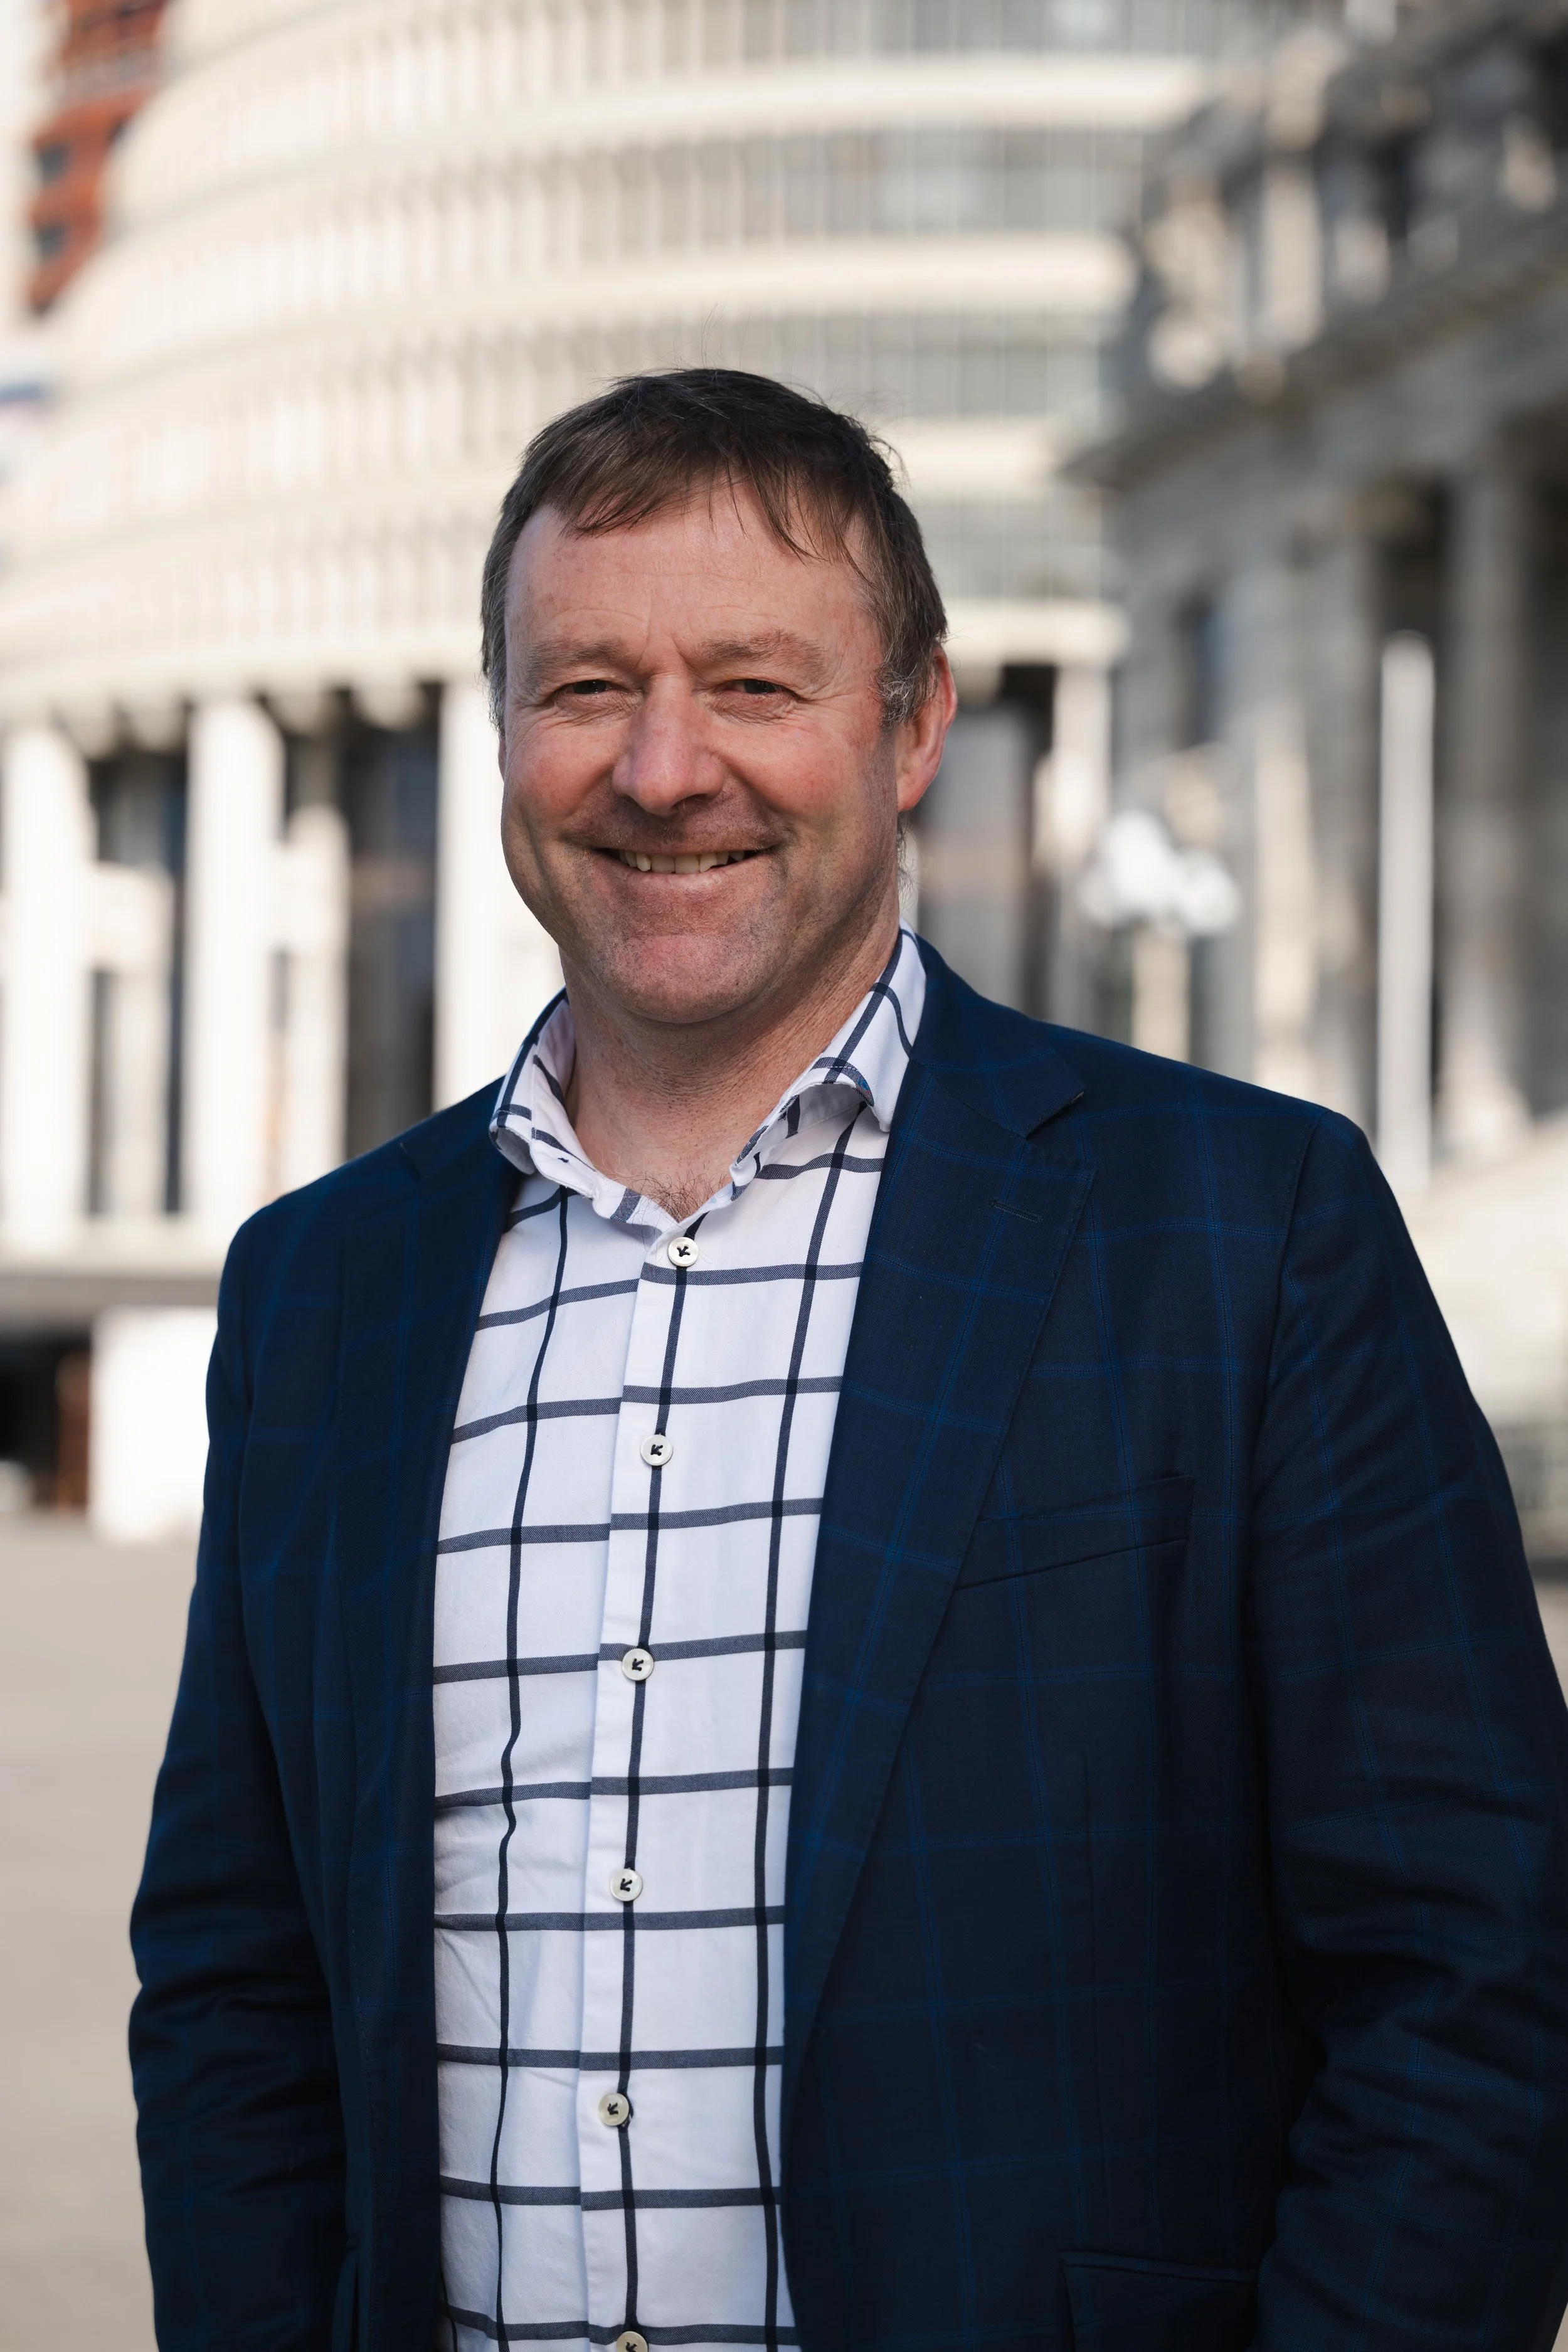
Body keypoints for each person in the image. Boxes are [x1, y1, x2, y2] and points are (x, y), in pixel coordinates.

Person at [131, 368, 1568, 2352]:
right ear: (503, 735)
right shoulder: (321, 1289)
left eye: (753, 685)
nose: (663, 769)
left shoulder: (1236, 1232)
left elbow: (1474, 1974)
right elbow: (237, 1981)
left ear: (912, 726)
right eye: (585, 688)